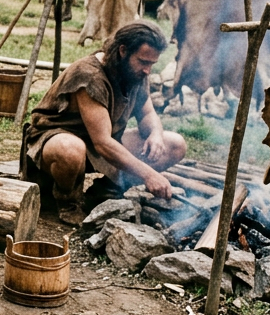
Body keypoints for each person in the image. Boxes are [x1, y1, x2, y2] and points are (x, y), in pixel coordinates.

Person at [20, 21, 187, 225]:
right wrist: (149, 175)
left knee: (174, 144)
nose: (147, 70)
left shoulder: (135, 73)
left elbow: (147, 114)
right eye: (143, 62)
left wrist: (156, 134)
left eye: (151, 64)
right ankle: (66, 200)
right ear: (123, 51)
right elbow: (102, 143)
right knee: (71, 149)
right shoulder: (90, 75)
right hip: (54, 141)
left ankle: (105, 191)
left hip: (100, 144)